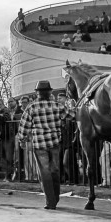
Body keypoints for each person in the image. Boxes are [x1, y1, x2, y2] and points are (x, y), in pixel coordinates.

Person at [17, 80, 74, 209]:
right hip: (54, 142)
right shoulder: (57, 106)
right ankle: (56, 197)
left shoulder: (31, 107)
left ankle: (50, 201)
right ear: (49, 92)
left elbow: (23, 127)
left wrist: (22, 140)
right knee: (54, 170)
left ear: (37, 93)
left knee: (44, 173)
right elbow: (72, 115)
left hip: (39, 143)